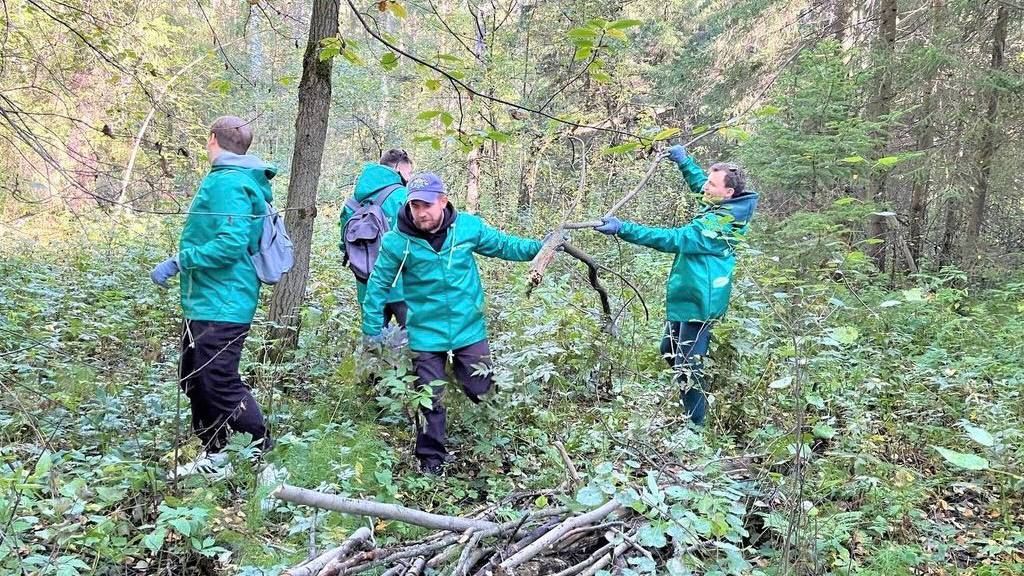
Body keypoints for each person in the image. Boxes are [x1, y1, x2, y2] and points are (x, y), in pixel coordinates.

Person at [361, 173, 543, 474]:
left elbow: (505, 246)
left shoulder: (467, 227)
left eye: (427, 205)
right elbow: (378, 284)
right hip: (425, 332)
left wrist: (543, 246)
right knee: (430, 398)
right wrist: (371, 330)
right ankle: (431, 461)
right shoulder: (397, 241)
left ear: (443, 201)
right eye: (415, 205)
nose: (421, 212)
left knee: (481, 388)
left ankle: (491, 439)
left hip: (468, 327)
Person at [593, 145, 758, 425]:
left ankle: (695, 426)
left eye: (712, 183)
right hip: (688, 296)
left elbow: (674, 239)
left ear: (729, 192)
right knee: (668, 350)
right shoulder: (723, 204)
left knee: (688, 366)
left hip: (700, 301)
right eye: (708, 179)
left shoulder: (719, 225)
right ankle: (693, 401)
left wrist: (624, 229)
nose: (706, 186)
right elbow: (700, 186)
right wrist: (684, 162)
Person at [151, 115, 275, 477]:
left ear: (212, 140)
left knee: (218, 379)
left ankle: (261, 453)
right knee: (194, 376)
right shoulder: (230, 179)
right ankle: (216, 452)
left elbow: (230, 245)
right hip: (207, 299)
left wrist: (179, 260)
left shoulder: (231, 184)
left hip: (224, 302)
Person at [339, 149, 413, 329]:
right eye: (409, 172)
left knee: (373, 346)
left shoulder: (353, 202)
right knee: (419, 347)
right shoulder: (404, 197)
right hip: (403, 287)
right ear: (398, 168)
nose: (410, 178)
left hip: (367, 287)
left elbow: (345, 245)